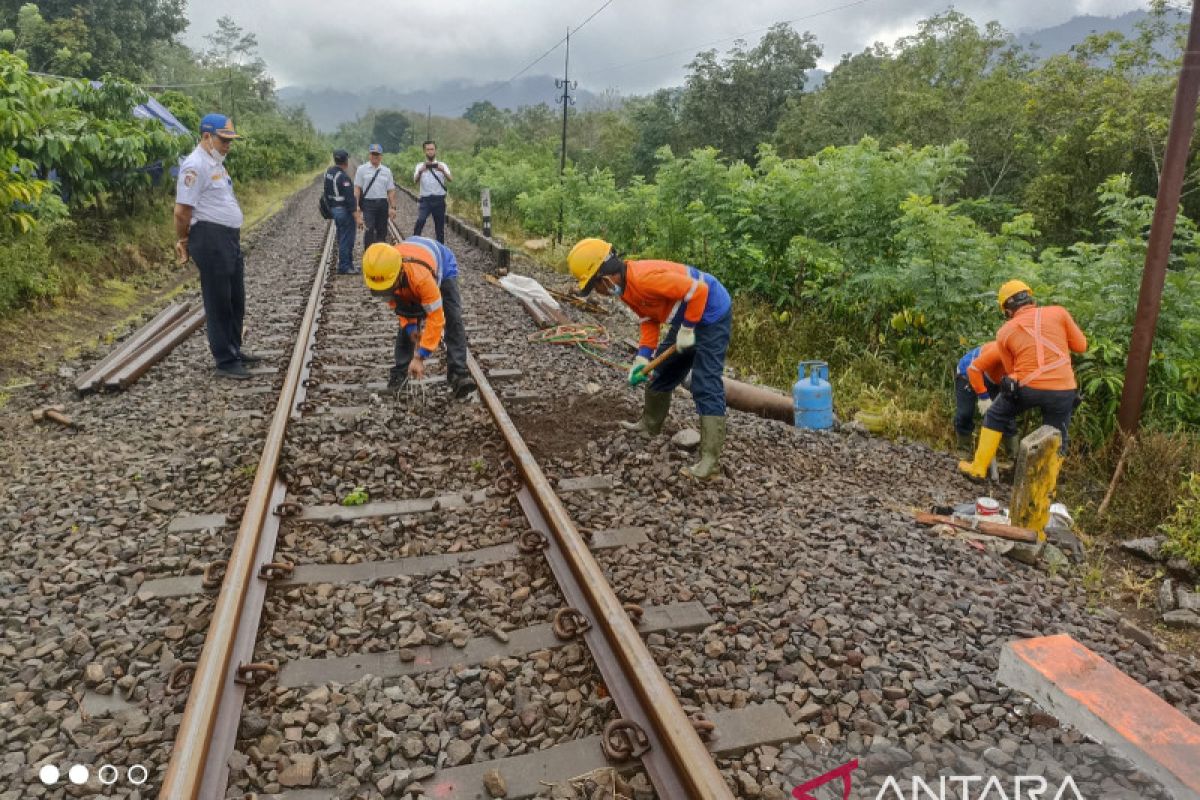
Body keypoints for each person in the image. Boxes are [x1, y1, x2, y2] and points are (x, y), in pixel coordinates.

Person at [568, 237, 733, 480]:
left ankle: (710, 462)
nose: (598, 293)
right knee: (662, 371)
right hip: (688, 315)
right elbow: (649, 320)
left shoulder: (645, 279)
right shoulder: (626, 289)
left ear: (605, 277)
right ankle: (649, 425)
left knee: (704, 382)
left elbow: (699, 291)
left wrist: (688, 330)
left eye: (595, 286)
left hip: (711, 312)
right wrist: (642, 358)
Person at [959, 280, 1088, 479]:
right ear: (1030, 298)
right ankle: (1047, 485)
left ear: (1007, 310)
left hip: (1028, 386)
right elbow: (1081, 346)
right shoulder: (1059, 312)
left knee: (996, 416)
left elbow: (1012, 371)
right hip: (1063, 389)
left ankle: (978, 468)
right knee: (1058, 433)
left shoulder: (1004, 332)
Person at [174, 113, 260, 380]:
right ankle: (224, 359)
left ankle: (234, 348)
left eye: (230, 141)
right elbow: (181, 211)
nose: (228, 145)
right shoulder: (195, 165)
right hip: (210, 239)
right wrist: (184, 241)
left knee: (236, 297)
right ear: (207, 137)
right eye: (224, 140)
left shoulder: (217, 164)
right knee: (219, 300)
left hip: (227, 239)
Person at [362, 237, 475, 399]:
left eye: (388, 288)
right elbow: (400, 310)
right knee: (406, 327)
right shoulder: (381, 273)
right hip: (412, 266)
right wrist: (410, 328)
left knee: (453, 318)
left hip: (442, 264)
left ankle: (458, 373)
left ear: (399, 274)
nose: (385, 293)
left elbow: (436, 318)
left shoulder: (421, 280)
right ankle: (399, 375)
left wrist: (420, 356)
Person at [953, 342, 1006, 454]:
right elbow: (973, 370)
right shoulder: (998, 350)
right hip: (967, 373)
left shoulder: (1023, 359)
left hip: (994, 380)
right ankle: (963, 448)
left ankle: (1012, 454)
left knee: (1005, 413)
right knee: (965, 413)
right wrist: (984, 397)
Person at [355, 143, 396, 251]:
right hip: (368, 204)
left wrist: (392, 207)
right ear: (369, 155)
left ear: (381, 156)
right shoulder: (362, 169)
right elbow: (357, 188)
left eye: (377, 154)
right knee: (369, 229)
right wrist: (356, 206)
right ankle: (368, 255)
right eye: (373, 154)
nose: (375, 156)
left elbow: (391, 190)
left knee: (382, 230)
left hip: (382, 203)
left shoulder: (387, 171)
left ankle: (380, 256)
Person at [324, 149, 358, 275]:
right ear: (345, 161)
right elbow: (350, 200)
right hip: (344, 212)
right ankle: (345, 266)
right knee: (346, 239)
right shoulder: (343, 177)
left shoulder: (329, 173)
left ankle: (348, 264)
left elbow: (326, 193)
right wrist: (357, 217)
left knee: (341, 237)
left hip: (335, 210)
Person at [412, 140, 450, 242]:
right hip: (425, 200)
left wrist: (442, 170)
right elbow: (415, 181)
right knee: (420, 220)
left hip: (439, 200)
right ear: (424, 151)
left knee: (439, 227)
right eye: (428, 149)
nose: (430, 152)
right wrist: (420, 171)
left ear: (435, 150)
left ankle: (440, 249)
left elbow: (450, 179)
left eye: (432, 149)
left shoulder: (442, 165)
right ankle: (414, 243)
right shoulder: (420, 165)